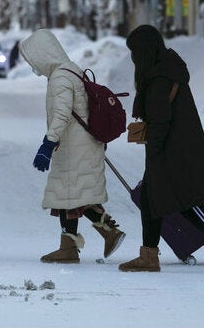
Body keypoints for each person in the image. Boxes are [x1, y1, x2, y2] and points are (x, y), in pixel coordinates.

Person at [119, 24, 204, 274]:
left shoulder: (159, 78)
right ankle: (148, 255)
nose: (133, 58)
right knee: (151, 199)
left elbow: (160, 120)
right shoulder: (168, 69)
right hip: (177, 147)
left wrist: (153, 148)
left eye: (134, 52)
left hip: (173, 151)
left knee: (187, 202)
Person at [19, 28, 126, 263]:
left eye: (34, 60)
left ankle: (98, 236)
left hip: (74, 147)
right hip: (79, 145)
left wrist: (48, 142)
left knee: (70, 195)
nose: (34, 67)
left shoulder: (60, 77)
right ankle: (80, 242)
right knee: (72, 195)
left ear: (43, 54)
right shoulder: (71, 70)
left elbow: (62, 113)